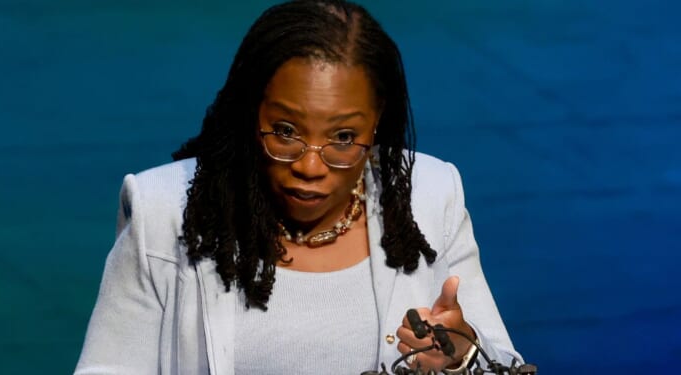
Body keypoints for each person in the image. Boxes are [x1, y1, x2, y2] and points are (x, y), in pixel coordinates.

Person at [75, 1, 523, 374]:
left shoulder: (429, 197)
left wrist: (462, 358)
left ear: (379, 122)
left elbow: (503, 362)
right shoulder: (166, 211)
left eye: (344, 138)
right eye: (286, 130)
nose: (310, 165)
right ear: (251, 113)